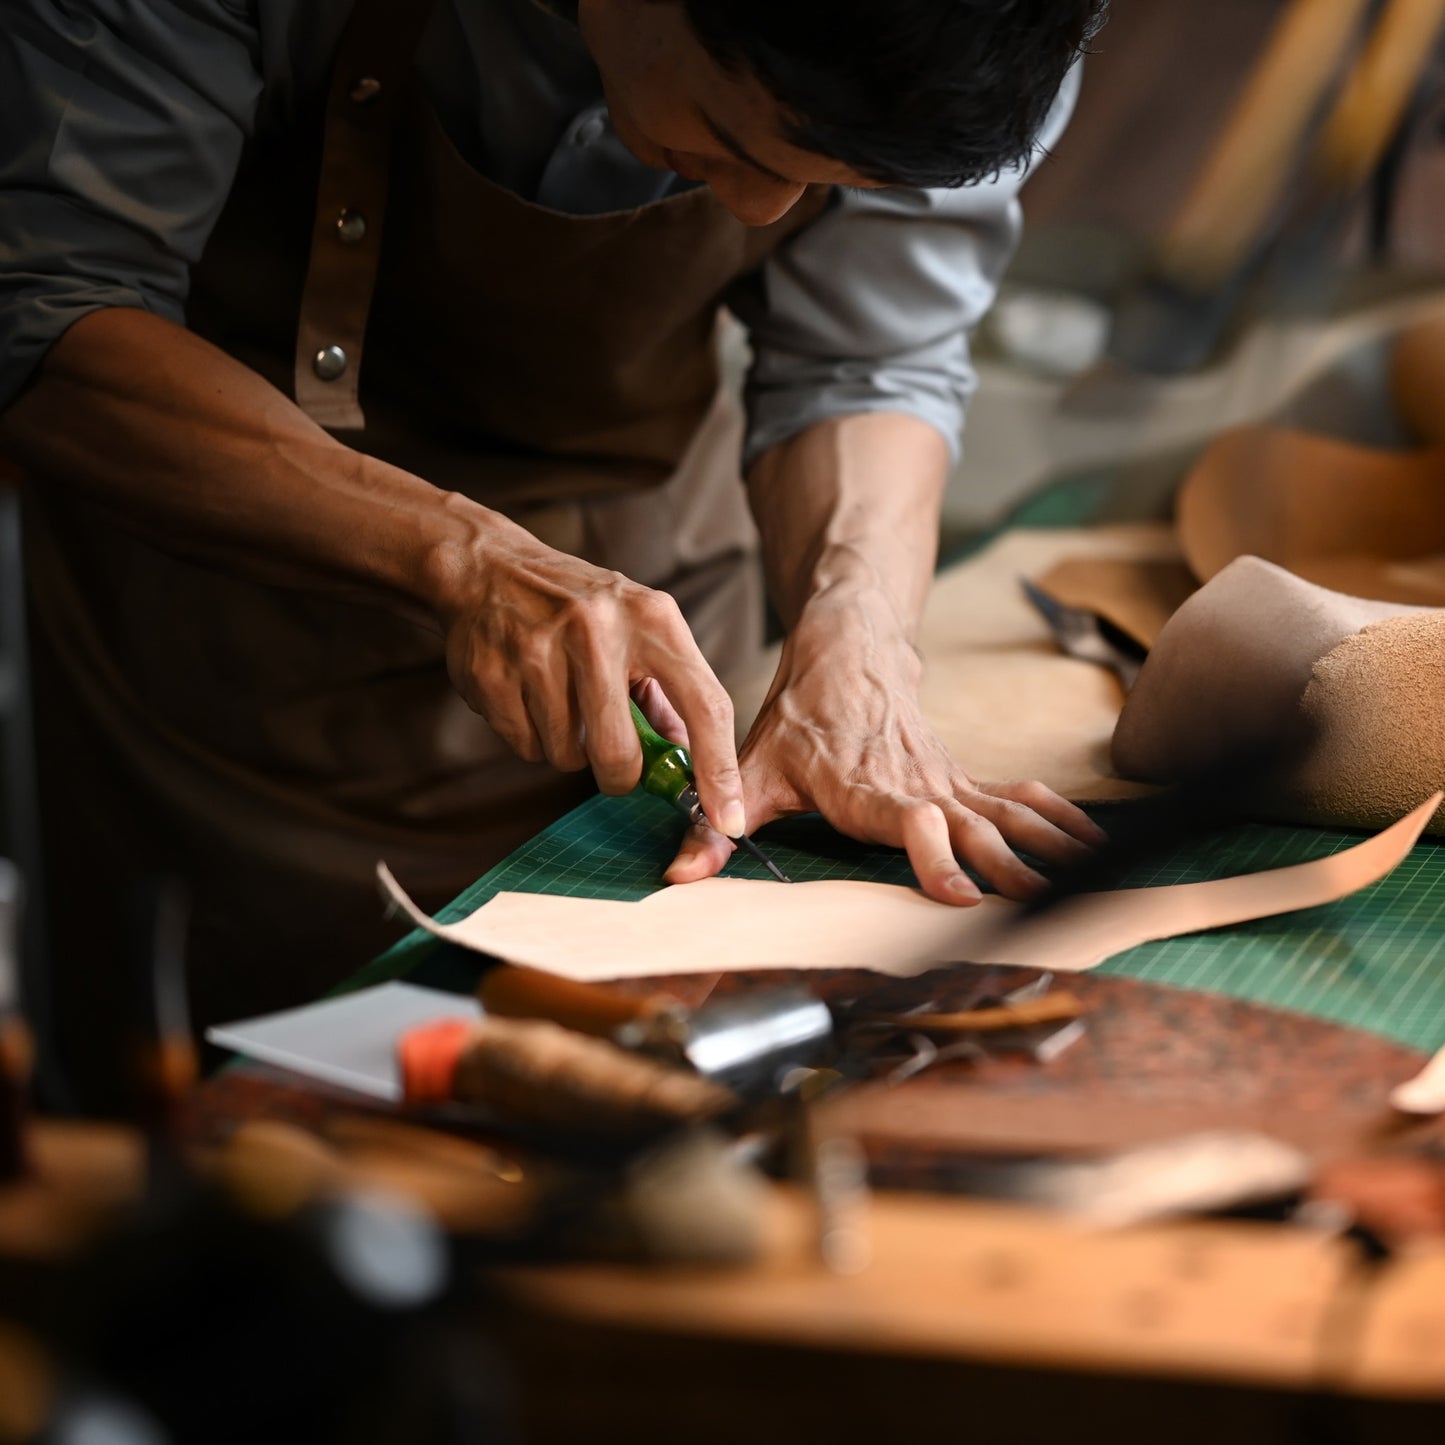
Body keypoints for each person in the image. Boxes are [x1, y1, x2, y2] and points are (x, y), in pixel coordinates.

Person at [0, 0, 1108, 1102]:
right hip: (241, 690)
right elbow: (48, 308)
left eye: (826, 180)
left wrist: (855, 637)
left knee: (688, 1094)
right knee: (278, 1126)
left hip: (667, 627)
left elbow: (868, 360)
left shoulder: (985, 33)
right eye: (739, 142)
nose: (766, 209)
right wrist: (459, 554)